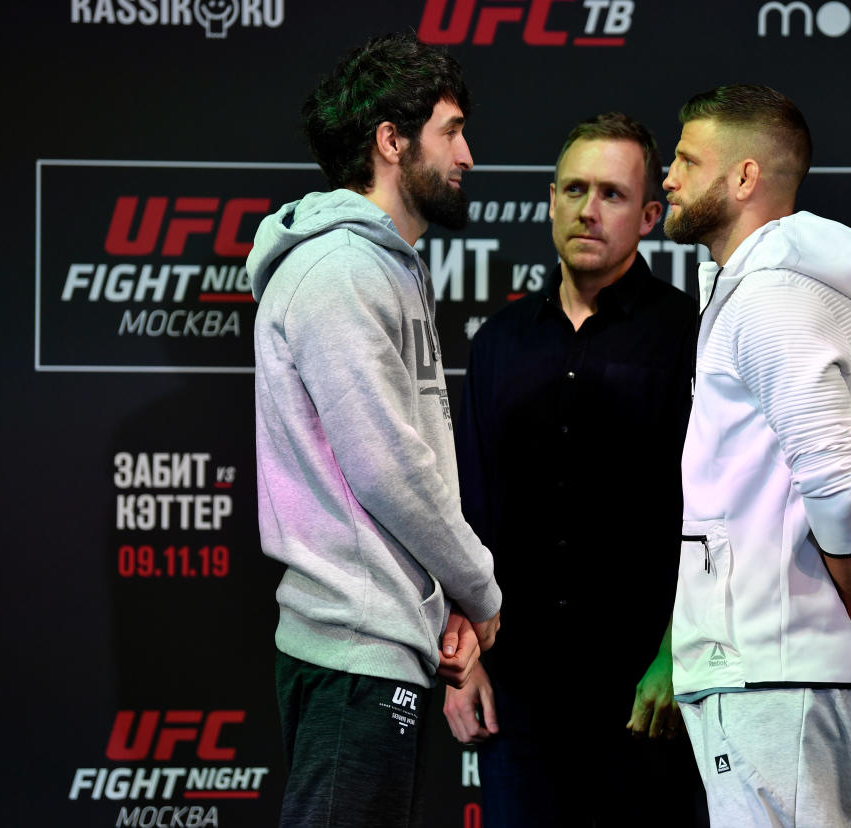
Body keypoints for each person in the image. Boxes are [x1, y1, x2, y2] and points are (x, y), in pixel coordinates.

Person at [247, 33, 502, 828]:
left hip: (384, 635)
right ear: (392, 142)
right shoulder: (342, 273)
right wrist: (478, 588)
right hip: (354, 644)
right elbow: (388, 468)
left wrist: (445, 603)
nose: (467, 152)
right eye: (450, 130)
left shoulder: (383, 265)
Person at [443, 112, 705, 826]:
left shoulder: (692, 333)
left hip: (647, 691)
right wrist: (461, 658)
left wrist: (678, 653)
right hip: (518, 691)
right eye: (575, 189)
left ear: (651, 214)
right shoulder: (498, 341)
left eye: (613, 195)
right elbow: (467, 511)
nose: (589, 210)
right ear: (549, 198)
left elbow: (715, 514)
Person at [664, 84, 851, 827]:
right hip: (761, 667)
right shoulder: (744, 290)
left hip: (768, 668)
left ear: (745, 177)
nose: (669, 176)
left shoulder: (772, 300)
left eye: (688, 160)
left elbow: (839, 486)